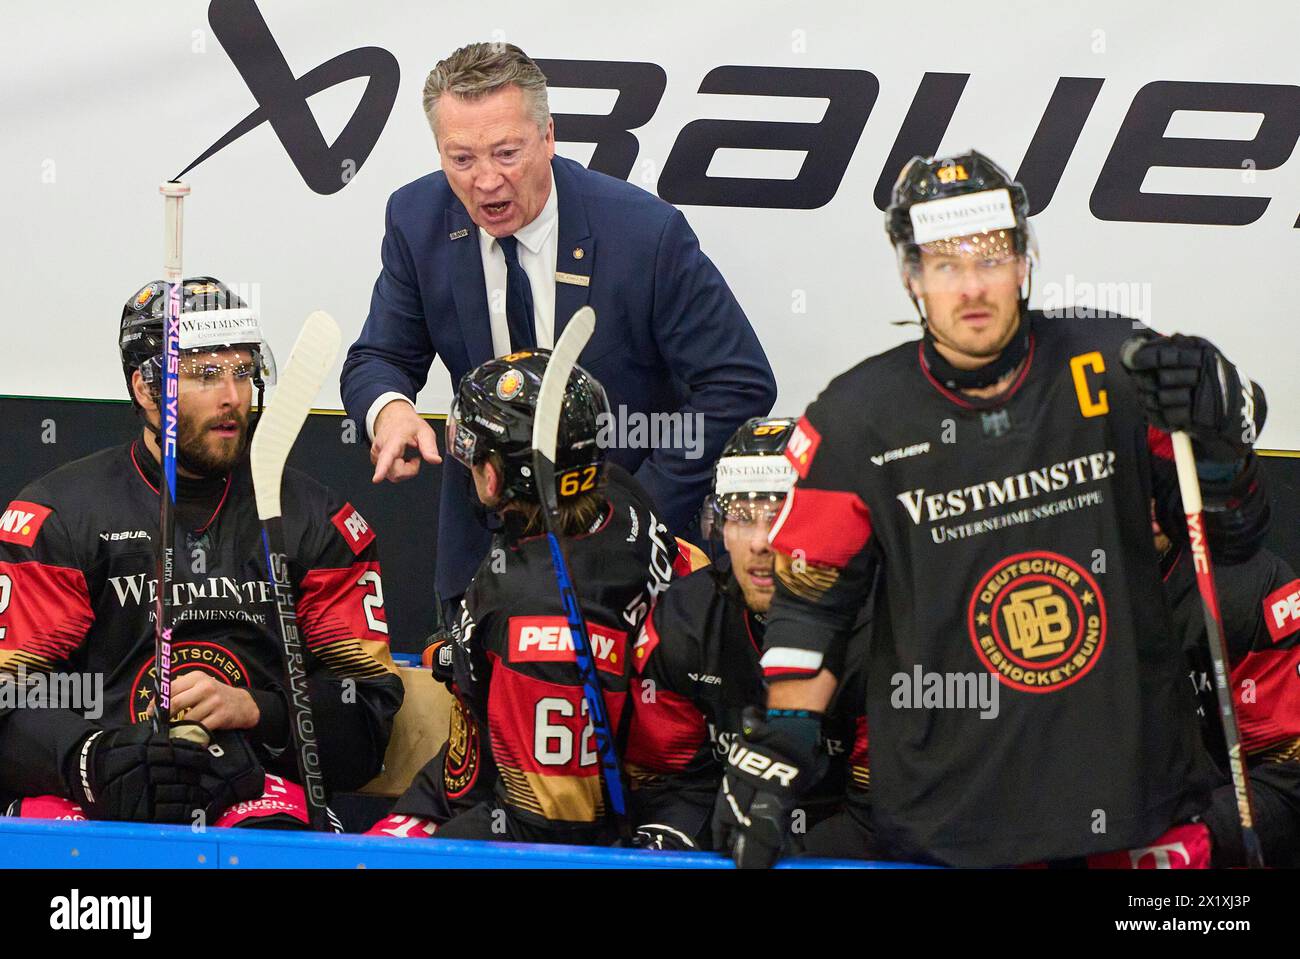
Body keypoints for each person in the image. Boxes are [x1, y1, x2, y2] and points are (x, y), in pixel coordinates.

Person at [713, 150, 1271, 868]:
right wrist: (782, 735)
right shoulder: (856, 420)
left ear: (1025, 257)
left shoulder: (1117, 363)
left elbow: (1233, 539)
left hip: (1136, 804)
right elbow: (813, 603)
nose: (972, 285)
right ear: (910, 276)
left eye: (991, 255)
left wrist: (1221, 443)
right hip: (953, 821)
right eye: (945, 263)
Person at [340, 41, 776, 613]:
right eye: (461, 159)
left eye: (506, 153)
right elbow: (378, 358)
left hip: (629, 550)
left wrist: (638, 508)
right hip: (484, 551)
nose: (487, 181)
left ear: (548, 137)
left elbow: (739, 384)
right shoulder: (416, 218)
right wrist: (389, 409)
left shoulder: (644, 234)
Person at [0, 278, 403, 829]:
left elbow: (367, 718)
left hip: (254, 787)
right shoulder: (58, 516)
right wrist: (93, 759)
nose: (233, 396)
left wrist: (258, 710)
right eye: (206, 375)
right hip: (98, 783)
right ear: (146, 389)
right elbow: (9, 696)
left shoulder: (316, 520)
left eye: (241, 371)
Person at [366, 350, 704, 845]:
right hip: (481, 761)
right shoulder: (614, 492)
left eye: (475, 456)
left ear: (495, 478)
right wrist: (471, 651)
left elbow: (553, 827)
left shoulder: (538, 622)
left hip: (553, 808)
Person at [622, 418, 871, 853]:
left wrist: (778, 859)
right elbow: (667, 783)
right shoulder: (682, 623)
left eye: (781, 517)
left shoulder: (883, 633)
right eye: (741, 517)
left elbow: (886, 816)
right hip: (731, 828)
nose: (760, 542)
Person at [1156, 519, 1300, 866]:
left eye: (1156, 478)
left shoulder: (1249, 586)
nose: (1146, 497)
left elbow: (1292, 768)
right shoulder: (1030, 582)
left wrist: (1196, 839)